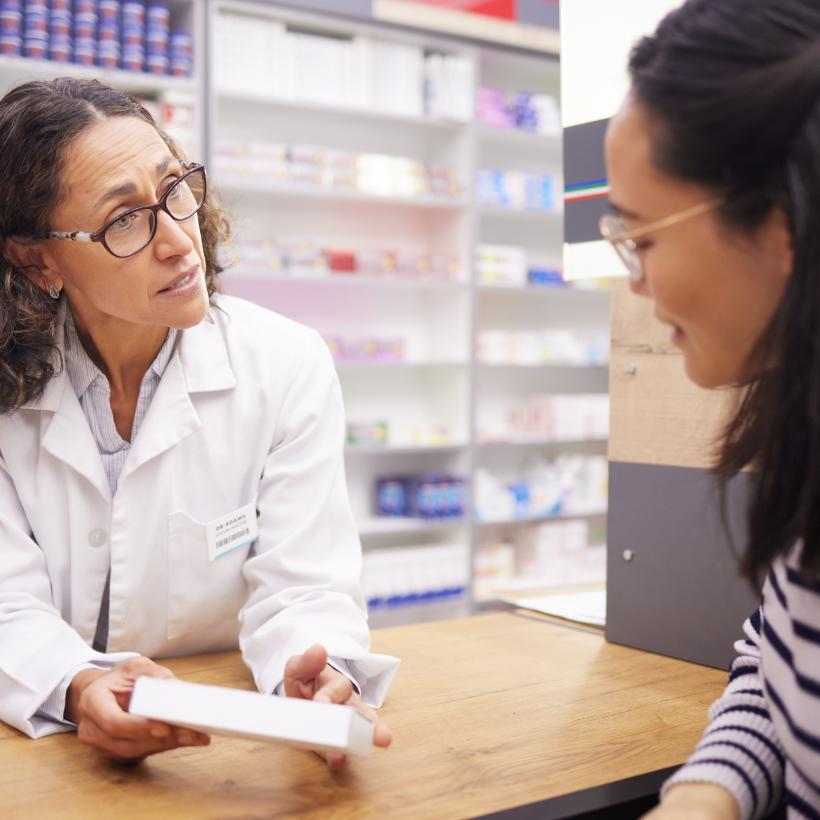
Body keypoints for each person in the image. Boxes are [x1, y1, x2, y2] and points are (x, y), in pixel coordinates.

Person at [0, 77, 397, 767]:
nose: (180, 241)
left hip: (225, 750)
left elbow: (304, 582)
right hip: (38, 757)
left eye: (174, 189)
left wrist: (317, 667)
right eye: (124, 219)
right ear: (37, 261)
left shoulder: (285, 363)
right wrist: (77, 681)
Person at [601, 1, 820, 816]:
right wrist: (706, 795)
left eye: (644, 238)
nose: (636, 281)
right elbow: (778, 655)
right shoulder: (801, 433)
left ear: (782, 224)